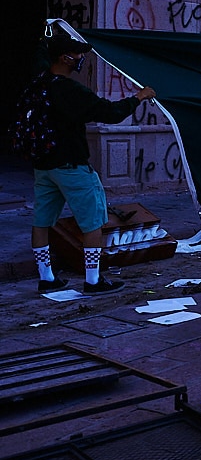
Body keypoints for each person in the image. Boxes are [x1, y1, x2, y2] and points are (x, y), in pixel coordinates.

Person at [30, 34, 156, 295]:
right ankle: (93, 280)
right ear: (65, 58)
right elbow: (110, 112)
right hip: (72, 165)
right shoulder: (71, 91)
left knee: (42, 220)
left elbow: (42, 55)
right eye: (77, 54)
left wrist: (45, 35)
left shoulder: (40, 78)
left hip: (44, 164)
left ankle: (46, 276)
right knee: (93, 222)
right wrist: (139, 97)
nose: (81, 58)